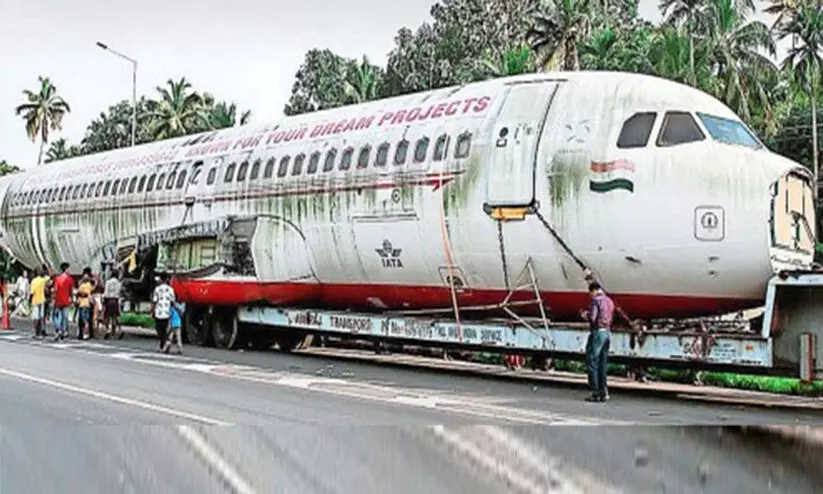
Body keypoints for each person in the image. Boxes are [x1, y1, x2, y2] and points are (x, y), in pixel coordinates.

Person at [580, 281, 614, 403]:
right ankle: (604, 391)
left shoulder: (596, 301)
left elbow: (593, 318)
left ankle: (595, 392)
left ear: (593, 291)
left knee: (592, 361)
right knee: (602, 363)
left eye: (590, 293)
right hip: (607, 333)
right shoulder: (609, 301)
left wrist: (586, 315)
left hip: (597, 333)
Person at [151, 272, 176, 351]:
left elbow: (154, 301)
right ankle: (164, 344)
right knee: (165, 329)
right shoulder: (171, 289)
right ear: (167, 279)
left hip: (159, 312)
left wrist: (152, 311)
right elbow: (173, 301)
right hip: (166, 312)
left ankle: (164, 343)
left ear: (161, 279)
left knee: (159, 329)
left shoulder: (157, 289)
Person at [52, 262, 74, 341]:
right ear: (66, 269)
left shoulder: (57, 278)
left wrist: (53, 299)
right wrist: (72, 299)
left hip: (58, 301)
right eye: (69, 268)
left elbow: (55, 290)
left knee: (57, 317)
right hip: (66, 301)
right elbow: (71, 291)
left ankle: (58, 330)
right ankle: (63, 331)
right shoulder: (70, 279)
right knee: (65, 317)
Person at [103, 269, 124, 340]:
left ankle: (107, 330)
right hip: (116, 301)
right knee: (115, 317)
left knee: (106, 316)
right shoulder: (119, 283)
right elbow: (120, 293)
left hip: (109, 300)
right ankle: (117, 331)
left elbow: (106, 293)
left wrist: (104, 302)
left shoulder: (108, 282)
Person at [29, 269, 49, 339]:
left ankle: (36, 333)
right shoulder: (43, 280)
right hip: (42, 300)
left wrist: (29, 300)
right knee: (41, 317)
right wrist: (46, 269)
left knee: (35, 318)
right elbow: (48, 277)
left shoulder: (33, 281)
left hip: (35, 301)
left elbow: (31, 292)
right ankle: (40, 332)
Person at [76, 273, 94, 340]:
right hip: (84, 304)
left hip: (84, 304)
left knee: (84, 320)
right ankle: (82, 334)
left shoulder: (85, 285)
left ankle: (85, 334)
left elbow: (84, 293)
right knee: (83, 320)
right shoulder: (87, 285)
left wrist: (79, 293)